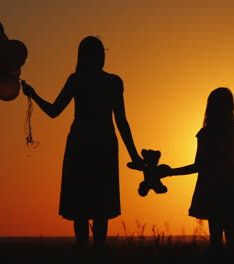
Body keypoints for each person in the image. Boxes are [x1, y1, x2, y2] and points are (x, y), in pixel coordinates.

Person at [21, 36, 143, 250]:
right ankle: (96, 254)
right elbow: (121, 121)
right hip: (101, 145)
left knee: (83, 206)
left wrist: (34, 94)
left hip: (82, 145)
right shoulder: (111, 82)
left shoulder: (78, 79)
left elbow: (53, 112)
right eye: (99, 54)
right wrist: (134, 156)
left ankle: (85, 254)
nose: (101, 57)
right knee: (98, 207)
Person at [165, 87, 234, 259]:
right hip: (233, 190)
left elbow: (198, 166)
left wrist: (171, 172)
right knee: (232, 241)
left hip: (213, 190)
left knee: (216, 242)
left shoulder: (208, 132)